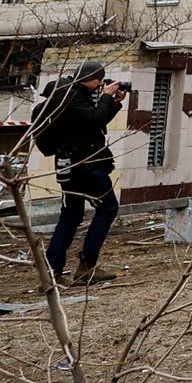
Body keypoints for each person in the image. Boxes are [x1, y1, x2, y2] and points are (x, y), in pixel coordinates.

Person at [32, 61, 128, 285]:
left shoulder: (67, 95)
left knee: (71, 215)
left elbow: (92, 123)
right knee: (108, 208)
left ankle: (52, 272)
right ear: (92, 78)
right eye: (99, 81)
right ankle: (86, 265)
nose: (100, 85)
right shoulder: (70, 96)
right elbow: (94, 119)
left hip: (71, 164)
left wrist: (112, 104)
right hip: (85, 165)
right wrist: (106, 97)